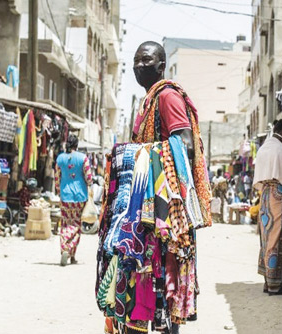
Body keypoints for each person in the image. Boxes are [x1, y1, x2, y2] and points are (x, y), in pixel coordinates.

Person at [104, 40, 211, 334]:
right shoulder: (148, 101)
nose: (140, 66)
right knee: (141, 279)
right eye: (136, 61)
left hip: (164, 210)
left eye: (147, 60)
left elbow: (185, 145)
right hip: (144, 206)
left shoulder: (167, 97)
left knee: (163, 279)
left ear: (161, 66)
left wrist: (140, 155)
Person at [252, 116, 282, 296]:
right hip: (279, 197)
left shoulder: (265, 146)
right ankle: (275, 285)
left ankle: (268, 281)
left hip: (265, 194)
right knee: (277, 240)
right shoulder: (280, 150)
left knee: (267, 240)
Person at [55, 134, 92, 267]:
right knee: (76, 225)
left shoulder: (60, 159)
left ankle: (67, 250)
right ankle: (70, 251)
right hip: (79, 196)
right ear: (77, 145)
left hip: (65, 196)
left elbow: (57, 178)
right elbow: (89, 178)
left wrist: (59, 191)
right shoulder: (83, 158)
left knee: (65, 223)